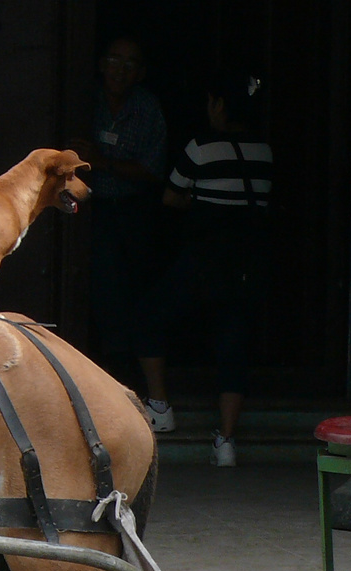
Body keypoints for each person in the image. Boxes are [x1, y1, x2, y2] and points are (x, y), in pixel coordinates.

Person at [135, 70, 273, 466]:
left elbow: (171, 198)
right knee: (233, 343)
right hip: (244, 264)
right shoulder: (264, 151)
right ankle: (226, 442)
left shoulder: (202, 146)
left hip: (202, 261)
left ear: (219, 106)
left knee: (150, 316)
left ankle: (160, 408)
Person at [71, 37, 167, 380]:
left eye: (130, 63)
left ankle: (128, 366)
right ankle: (101, 366)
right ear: (101, 64)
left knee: (134, 288)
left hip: (133, 208)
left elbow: (154, 170)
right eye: (114, 59)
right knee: (96, 285)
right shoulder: (83, 99)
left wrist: (102, 162)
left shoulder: (148, 109)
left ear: (140, 72)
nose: (120, 70)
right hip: (89, 211)